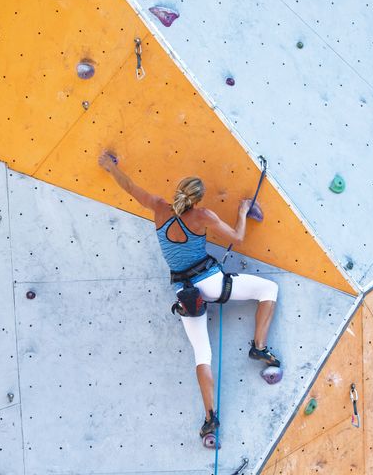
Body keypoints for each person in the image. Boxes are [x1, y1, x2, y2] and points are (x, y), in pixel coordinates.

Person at [98, 152, 279, 440]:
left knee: (202, 354)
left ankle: (210, 418)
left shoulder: (158, 208)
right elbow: (238, 237)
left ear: (178, 191)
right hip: (212, 282)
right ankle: (258, 346)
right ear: (198, 198)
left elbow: (130, 187)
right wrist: (243, 212)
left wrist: (110, 167)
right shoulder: (203, 216)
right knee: (269, 290)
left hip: (186, 294)